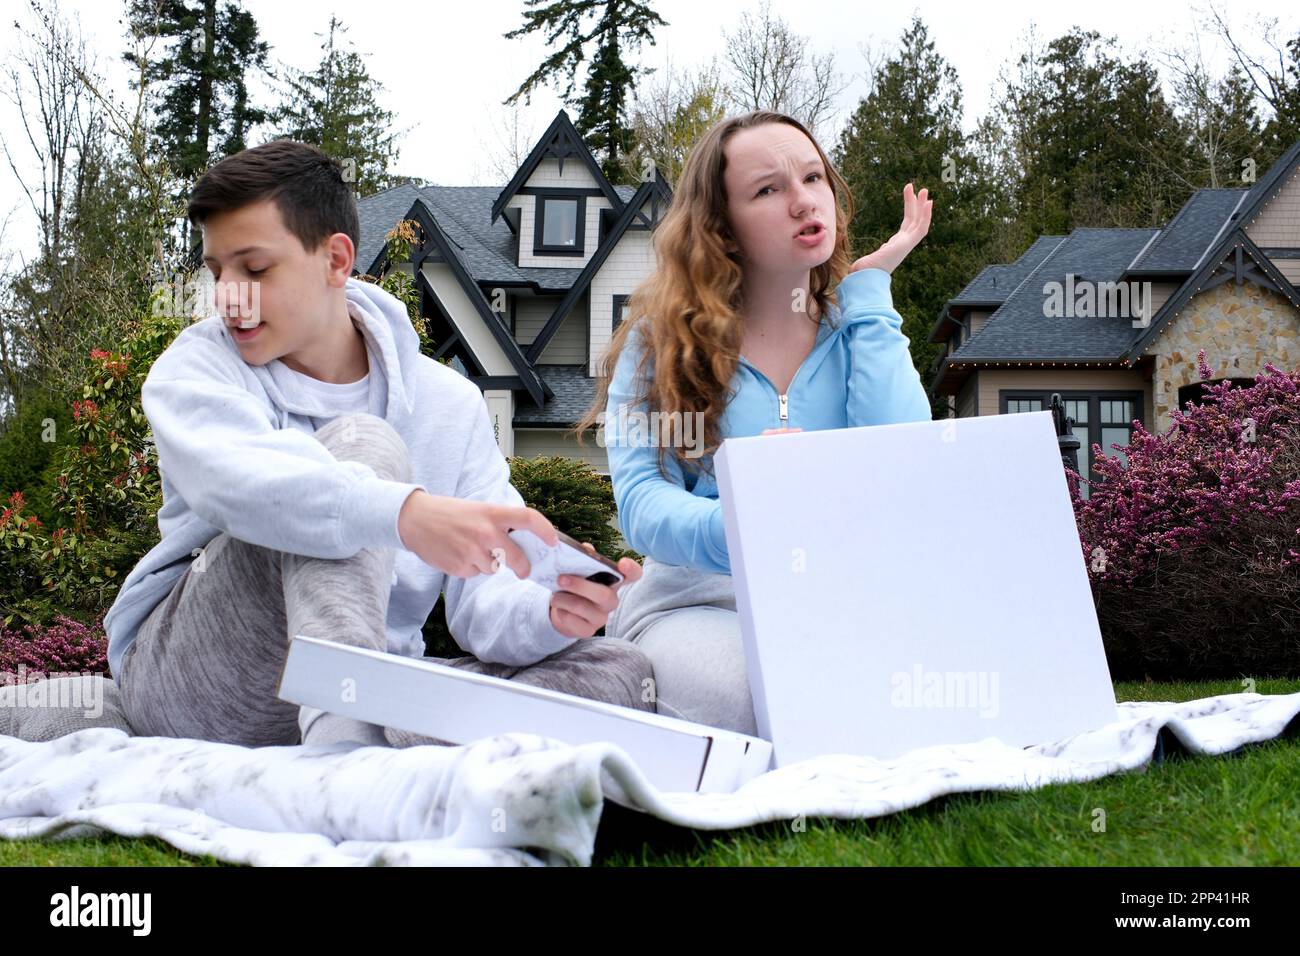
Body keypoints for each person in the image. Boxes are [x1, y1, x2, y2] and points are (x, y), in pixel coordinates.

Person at [103, 139, 652, 750]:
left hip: (376, 687)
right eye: (217, 272)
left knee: (620, 672)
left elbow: (484, 597)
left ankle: (369, 737)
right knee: (362, 448)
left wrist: (547, 614)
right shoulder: (197, 369)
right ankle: (351, 763)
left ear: (337, 260)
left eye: (253, 269)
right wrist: (405, 514)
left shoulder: (449, 403)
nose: (228, 295)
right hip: (202, 680)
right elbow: (248, 486)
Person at [572, 111, 933, 736]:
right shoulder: (658, 344)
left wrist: (871, 292)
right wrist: (745, 516)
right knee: (768, 700)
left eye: (814, 178)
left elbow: (904, 461)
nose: (802, 202)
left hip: (844, 601)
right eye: (768, 189)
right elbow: (641, 504)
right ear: (722, 228)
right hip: (697, 605)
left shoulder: (860, 329)